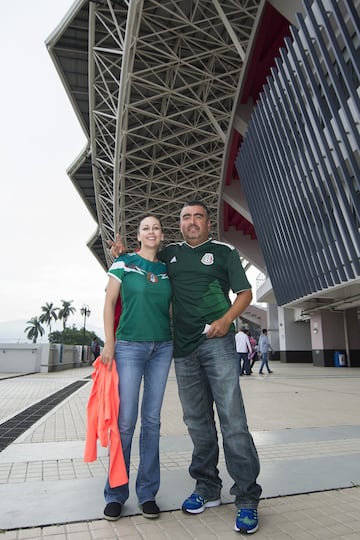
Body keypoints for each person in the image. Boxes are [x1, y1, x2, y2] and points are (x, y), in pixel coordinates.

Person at [111, 200, 262, 534]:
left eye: (198, 217)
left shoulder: (223, 252)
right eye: (185, 218)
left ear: (208, 223)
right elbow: (144, 260)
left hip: (218, 343)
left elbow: (245, 293)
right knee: (197, 422)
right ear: (178, 225)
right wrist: (124, 254)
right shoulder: (170, 255)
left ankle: (247, 499)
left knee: (232, 420)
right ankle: (207, 488)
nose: (192, 222)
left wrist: (226, 320)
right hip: (182, 349)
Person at [101, 214, 173, 521]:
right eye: (146, 227)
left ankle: (147, 494)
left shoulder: (168, 268)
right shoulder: (124, 263)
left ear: (161, 234)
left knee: (152, 422)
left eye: (156, 227)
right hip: (129, 347)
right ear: (139, 235)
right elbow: (108, 302)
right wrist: (109, 342)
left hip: (163, 348)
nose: (151, 231)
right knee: (126, 422)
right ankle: (116, 493)